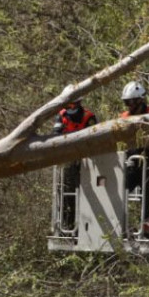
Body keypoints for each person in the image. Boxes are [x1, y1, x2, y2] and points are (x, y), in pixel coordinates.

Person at [119, 80, 149, 233]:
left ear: (140, 100)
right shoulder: (124, 117)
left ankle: (148, 226)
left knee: (147, 192)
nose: (129, 106)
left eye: (131, 102)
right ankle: (120, 225)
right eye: (126, 103)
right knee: (121, 189)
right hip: (131, 161)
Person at [53, 98, 98, 232]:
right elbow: (55, 135)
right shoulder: (62, 115)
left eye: (71, 104)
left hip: (86, 163)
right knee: (66, 192)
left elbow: (94, 139)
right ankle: (68, 225)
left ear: (78, 103)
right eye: (66, 104)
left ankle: (85, 225)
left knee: (84, 193)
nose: (68, 107)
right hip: (69, 160)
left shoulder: (88, 116)